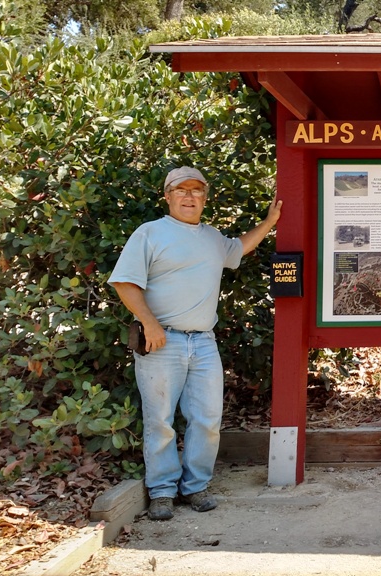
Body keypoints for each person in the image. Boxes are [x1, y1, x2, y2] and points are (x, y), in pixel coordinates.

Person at [109, 167, 282, 521]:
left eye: (196, 191)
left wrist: (270, 221)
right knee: (159, 420)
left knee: (207, 419)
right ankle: (161, 491)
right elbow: (125, 283)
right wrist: (150, 323)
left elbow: (239, 249)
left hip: (203, 343)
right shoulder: (150, 234)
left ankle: (196, 486)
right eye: (181, 190)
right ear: (168, 196)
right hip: (162, 342)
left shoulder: (213, 237)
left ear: (205, 197)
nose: (189, 197)